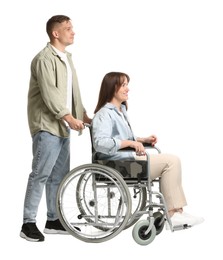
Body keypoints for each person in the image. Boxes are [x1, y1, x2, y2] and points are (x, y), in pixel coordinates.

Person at [91, 71, 204, 229]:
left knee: (172, 161)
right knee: (171, 161)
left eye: (127, 85)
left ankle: (176, 211)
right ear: (112, 88)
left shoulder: (120, 112)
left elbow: (123, 137)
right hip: (117, 164)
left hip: (127, 160)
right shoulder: (104, 114)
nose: (128, 89)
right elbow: (100, 143)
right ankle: (173, 213)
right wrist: (130, 143)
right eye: (124, 85)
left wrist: (142, 140)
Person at [20, 15, 91, 242]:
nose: (74, 32)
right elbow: (51, 95)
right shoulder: (44, 59)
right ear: (55, 33)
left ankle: (53, 220)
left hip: (63, 126)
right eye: (68, 28)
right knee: (40, 174)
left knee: (59, 176)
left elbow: (71, 94)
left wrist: (83, 115)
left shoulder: (66, 58)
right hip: (47, 126)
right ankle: (28, 224)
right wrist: (69, 118)